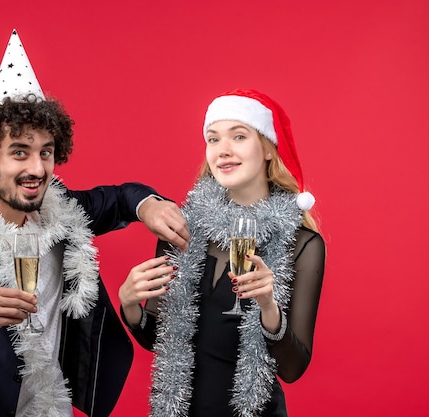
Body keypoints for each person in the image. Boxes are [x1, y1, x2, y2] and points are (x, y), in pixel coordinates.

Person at [0, 30, 189, 417]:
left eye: (45, 153)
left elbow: (120, 197)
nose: (37, 169)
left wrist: (149, 206)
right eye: (19, 152)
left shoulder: (61, 213)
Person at [119, 89, 326, 417]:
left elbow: (292, 368)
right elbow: (159, 338)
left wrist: (269, 307)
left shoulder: (301, 244)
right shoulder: (180, 229)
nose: (223, 150)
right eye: (213, 139)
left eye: (239, 136)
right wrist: (130, 305)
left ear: (268, 150)